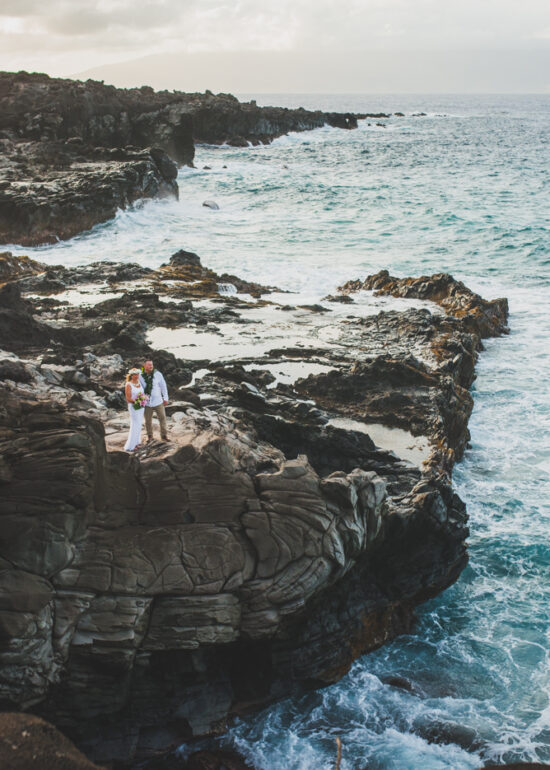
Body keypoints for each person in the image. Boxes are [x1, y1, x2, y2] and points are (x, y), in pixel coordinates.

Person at [139, 360, 169, 442]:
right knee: (148, 421)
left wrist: (165, 398)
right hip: (147, 403)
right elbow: (138, 387)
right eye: (149, 365)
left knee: (162, 418)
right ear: (144, 366)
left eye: (152, 364)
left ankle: (164, 436)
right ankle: (150, 436)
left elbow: (163, 386)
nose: (151, 366)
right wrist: (141, 399)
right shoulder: (140, 375)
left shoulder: (158, 374)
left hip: (158, 401)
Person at [124, 368, 147, 451]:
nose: (136, 376)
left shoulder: (139, 382)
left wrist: (144, 399)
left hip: (141, 407)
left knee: (139, 424)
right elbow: (128, 398)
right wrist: (138, 402)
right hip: (133, 407)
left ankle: (137, 443)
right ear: (131, 375)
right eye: (135, 374)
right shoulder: (128, 385)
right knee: (135, 424)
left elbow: (142, 393)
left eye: (137, 374)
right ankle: (131, 446)